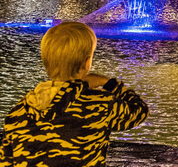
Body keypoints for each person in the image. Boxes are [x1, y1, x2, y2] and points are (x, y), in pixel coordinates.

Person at [1, 22, 148, 165]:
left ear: (46, 61)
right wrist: (109, 83)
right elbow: (139, 111)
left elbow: (5, 160)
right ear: (86, 63)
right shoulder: (100, 105)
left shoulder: (19, 111)